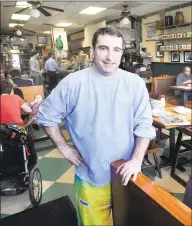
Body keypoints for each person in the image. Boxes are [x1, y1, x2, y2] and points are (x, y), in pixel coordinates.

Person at [37, 27, 155, 225]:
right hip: (91, 178)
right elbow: (46, 115)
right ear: (92, 51)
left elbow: (144, 124)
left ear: (121, 53)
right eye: (103, 48)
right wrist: (64, 147)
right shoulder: (73, 83)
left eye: (116, 50)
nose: (110, 56)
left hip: (127, 176)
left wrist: (136, 160)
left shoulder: (134, 83)